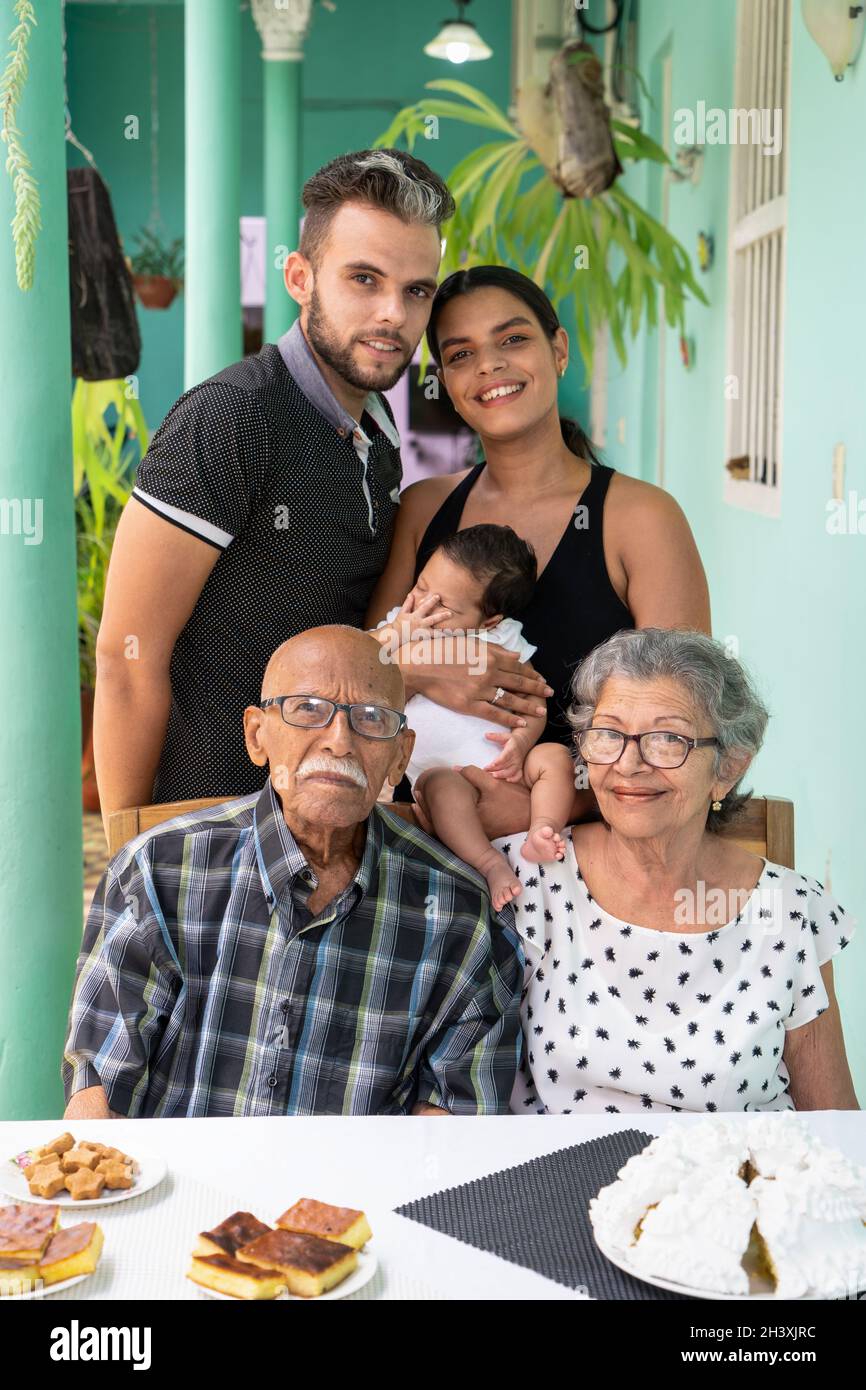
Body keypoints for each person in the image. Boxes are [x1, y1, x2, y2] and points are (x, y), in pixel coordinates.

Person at [94, 150, 515, 821]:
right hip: (210, 830)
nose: (392, 315)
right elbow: (125, 656)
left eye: (416, 290)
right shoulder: (232, 416)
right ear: (299, 276)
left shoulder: (377, 443)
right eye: (364, 279)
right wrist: (134, 856)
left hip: (323, 829)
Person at [63, 627, 523, 1119]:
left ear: (400, 756)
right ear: (257, 736)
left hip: (360, 1193)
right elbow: (100, 1094)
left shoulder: (460, 912)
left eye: (371, 718)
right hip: (184, 1187)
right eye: (307, 708)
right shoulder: (156, 871)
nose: (340, 742)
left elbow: (452, 1126)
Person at [366, 265, 711, 839]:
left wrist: (547, 813)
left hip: (590, 854)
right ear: (446, 384)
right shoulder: (423, 509)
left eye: (513, 339)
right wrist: (419, 669)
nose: (490, 366)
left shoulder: (642, 519)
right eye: (460, 355)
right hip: (418, 842)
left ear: (558, 349)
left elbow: (684, 728)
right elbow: (357, 677)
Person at [499, 627, 860, 1114]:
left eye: (668, 740)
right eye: (608, 735)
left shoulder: (790, 910)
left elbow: (833, 1120)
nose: (629, 764)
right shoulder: (526, 879)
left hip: (738, 1182)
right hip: (560, 1183)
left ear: (728, 768)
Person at [370, 524, 576, 910]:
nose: (424, 608)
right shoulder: (403, 624)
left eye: (443, 605)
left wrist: (521, 743)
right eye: (420, 587)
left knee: (554, 759)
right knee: (439, 788)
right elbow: (358, 662)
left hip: (507, 767)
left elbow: (535, 698)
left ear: (489, 622)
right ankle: (489, 863)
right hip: (450, 775)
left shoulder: (505, 640)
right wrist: (396, 633)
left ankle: (541, 829)